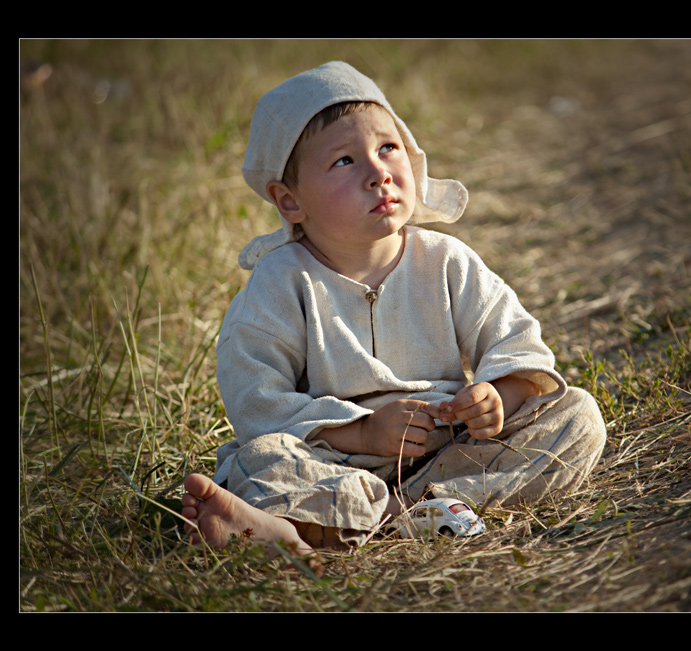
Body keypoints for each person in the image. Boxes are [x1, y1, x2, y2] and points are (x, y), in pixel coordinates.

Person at [181, 61, 607, 554]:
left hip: (448, 451)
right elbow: (257, 399)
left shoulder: (446, 261)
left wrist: (499, 396)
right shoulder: (280, 284)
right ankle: (364, 514)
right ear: (290, 200)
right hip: (336, 461)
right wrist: (363, 432)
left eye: (387, 148)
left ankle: (411, 510)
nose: (378, 172)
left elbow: (513, 340)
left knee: (577, 418)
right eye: (344, 161)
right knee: (260, 460)